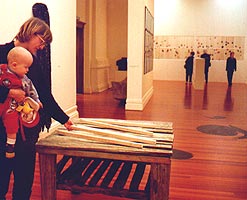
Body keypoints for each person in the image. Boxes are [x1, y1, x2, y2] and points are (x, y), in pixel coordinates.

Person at [0, 17, 73, 200]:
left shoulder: (34, 62)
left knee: (24, 179)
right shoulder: (1, 52)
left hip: (27, 132)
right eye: (42, 41)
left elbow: (45, 96)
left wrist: (64, 119)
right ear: (32, 33)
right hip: (2, 130)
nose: (42, 47)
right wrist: (8, 93)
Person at [0, 46, 43, 159]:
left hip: (12, 107)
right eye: (26, 67)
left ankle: (10, 145)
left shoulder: (25, 80)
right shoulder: (1, 71)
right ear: (14, 65)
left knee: (11, 123)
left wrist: (37, 101)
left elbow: (32, 90)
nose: (27, 70)